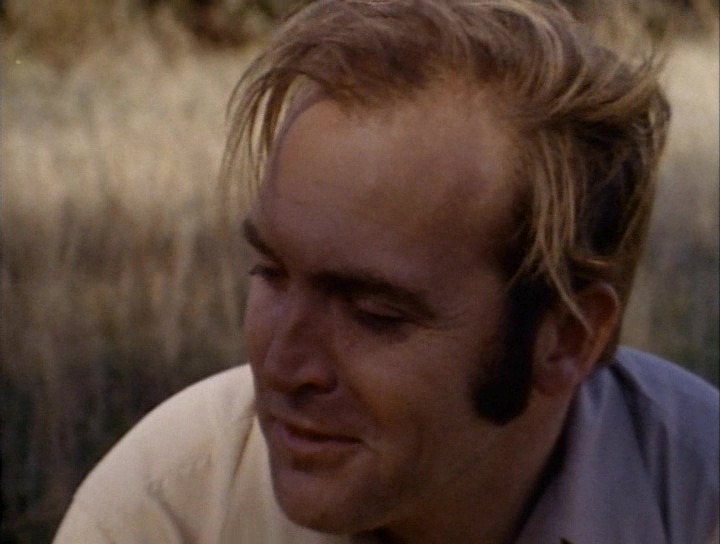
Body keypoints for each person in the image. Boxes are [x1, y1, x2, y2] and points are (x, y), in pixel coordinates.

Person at [54, 1, 719, 542]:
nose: (283, 364)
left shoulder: (695, 499)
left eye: (374, 314)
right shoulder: (168, 513)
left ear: (567, 338)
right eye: (271, 273)